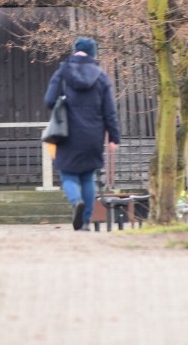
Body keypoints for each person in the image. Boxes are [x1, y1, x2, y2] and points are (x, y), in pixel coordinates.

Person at [44, 37, 121, 231]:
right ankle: (86, 222)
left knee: (68, 174)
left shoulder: (62, 72)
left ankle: (75, 201)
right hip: (93, 133)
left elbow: (49, 100)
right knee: (87, 177)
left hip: (67, 131)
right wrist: (114, 137)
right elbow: (109, 111)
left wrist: (63, 108)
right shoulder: (102, 77)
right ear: (93, 53)